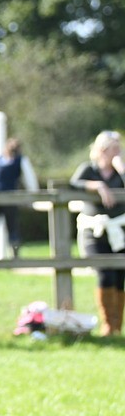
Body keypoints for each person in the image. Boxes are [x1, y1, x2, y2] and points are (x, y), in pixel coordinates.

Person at [71, 130, 125, 335]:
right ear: (102, 150)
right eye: (115, 149)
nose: (119, 152)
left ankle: (117, 327)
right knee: (105, 273)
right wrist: (97, 186)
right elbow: (72, 183)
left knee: (120, 275)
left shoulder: (121, 172)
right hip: (95, 231)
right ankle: (108, 325)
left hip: (120, 230)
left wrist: (122, 170)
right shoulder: (89, 170)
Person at [0, 138, 39, 258]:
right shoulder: (21, 160)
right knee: (13, 228)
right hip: (10, 197)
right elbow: (30, 180)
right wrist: (34, 196)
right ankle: (15, 256)